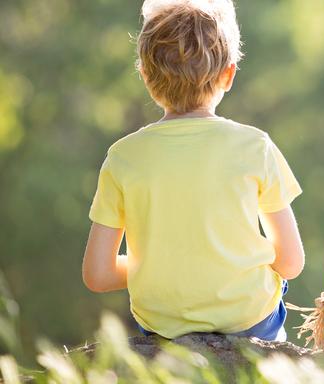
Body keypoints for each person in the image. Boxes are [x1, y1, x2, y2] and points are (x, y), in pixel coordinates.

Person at [81, 0, 305, 342]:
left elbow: (97, 274)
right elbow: (291, 262)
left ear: (144, 75)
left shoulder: (123, 157)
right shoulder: (255, 146)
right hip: (248, 319)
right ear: (229, 75)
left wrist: (155, 267)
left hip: (163, 325)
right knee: (277, 285)